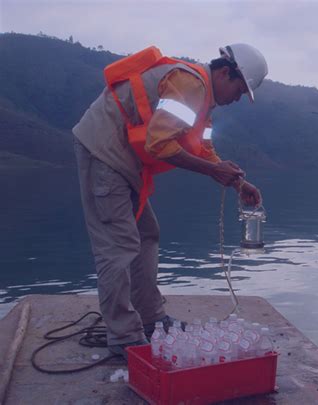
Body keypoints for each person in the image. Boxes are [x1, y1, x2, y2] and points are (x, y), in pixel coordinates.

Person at [72, 43, 268, 358]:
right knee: (118, 245)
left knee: (147, 233)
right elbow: (159, 144)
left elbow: (203, 151)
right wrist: (213, 170)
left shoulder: (203, 101)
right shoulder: (190, 85)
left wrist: (238, 182)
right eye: (239, 88)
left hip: (125, 162)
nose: (237, 98)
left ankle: (151, 319)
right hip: (104, 153)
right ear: (223, 72)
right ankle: (123, 336)